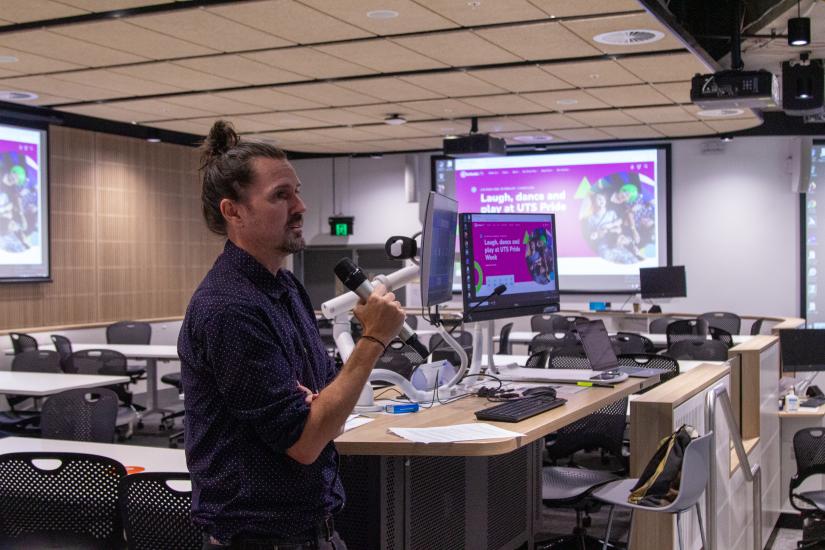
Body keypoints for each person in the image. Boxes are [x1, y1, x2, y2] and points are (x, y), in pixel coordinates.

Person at [178, 120, 405, 550]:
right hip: (262, 540)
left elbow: (329, 407)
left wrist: (319, 406)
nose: (300, 206)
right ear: (233, 211)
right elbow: (306, 441)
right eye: (280, 195)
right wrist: (373, 339)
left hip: (314, 530)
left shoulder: (284, 288)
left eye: (297, 191)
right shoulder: (229, 308)